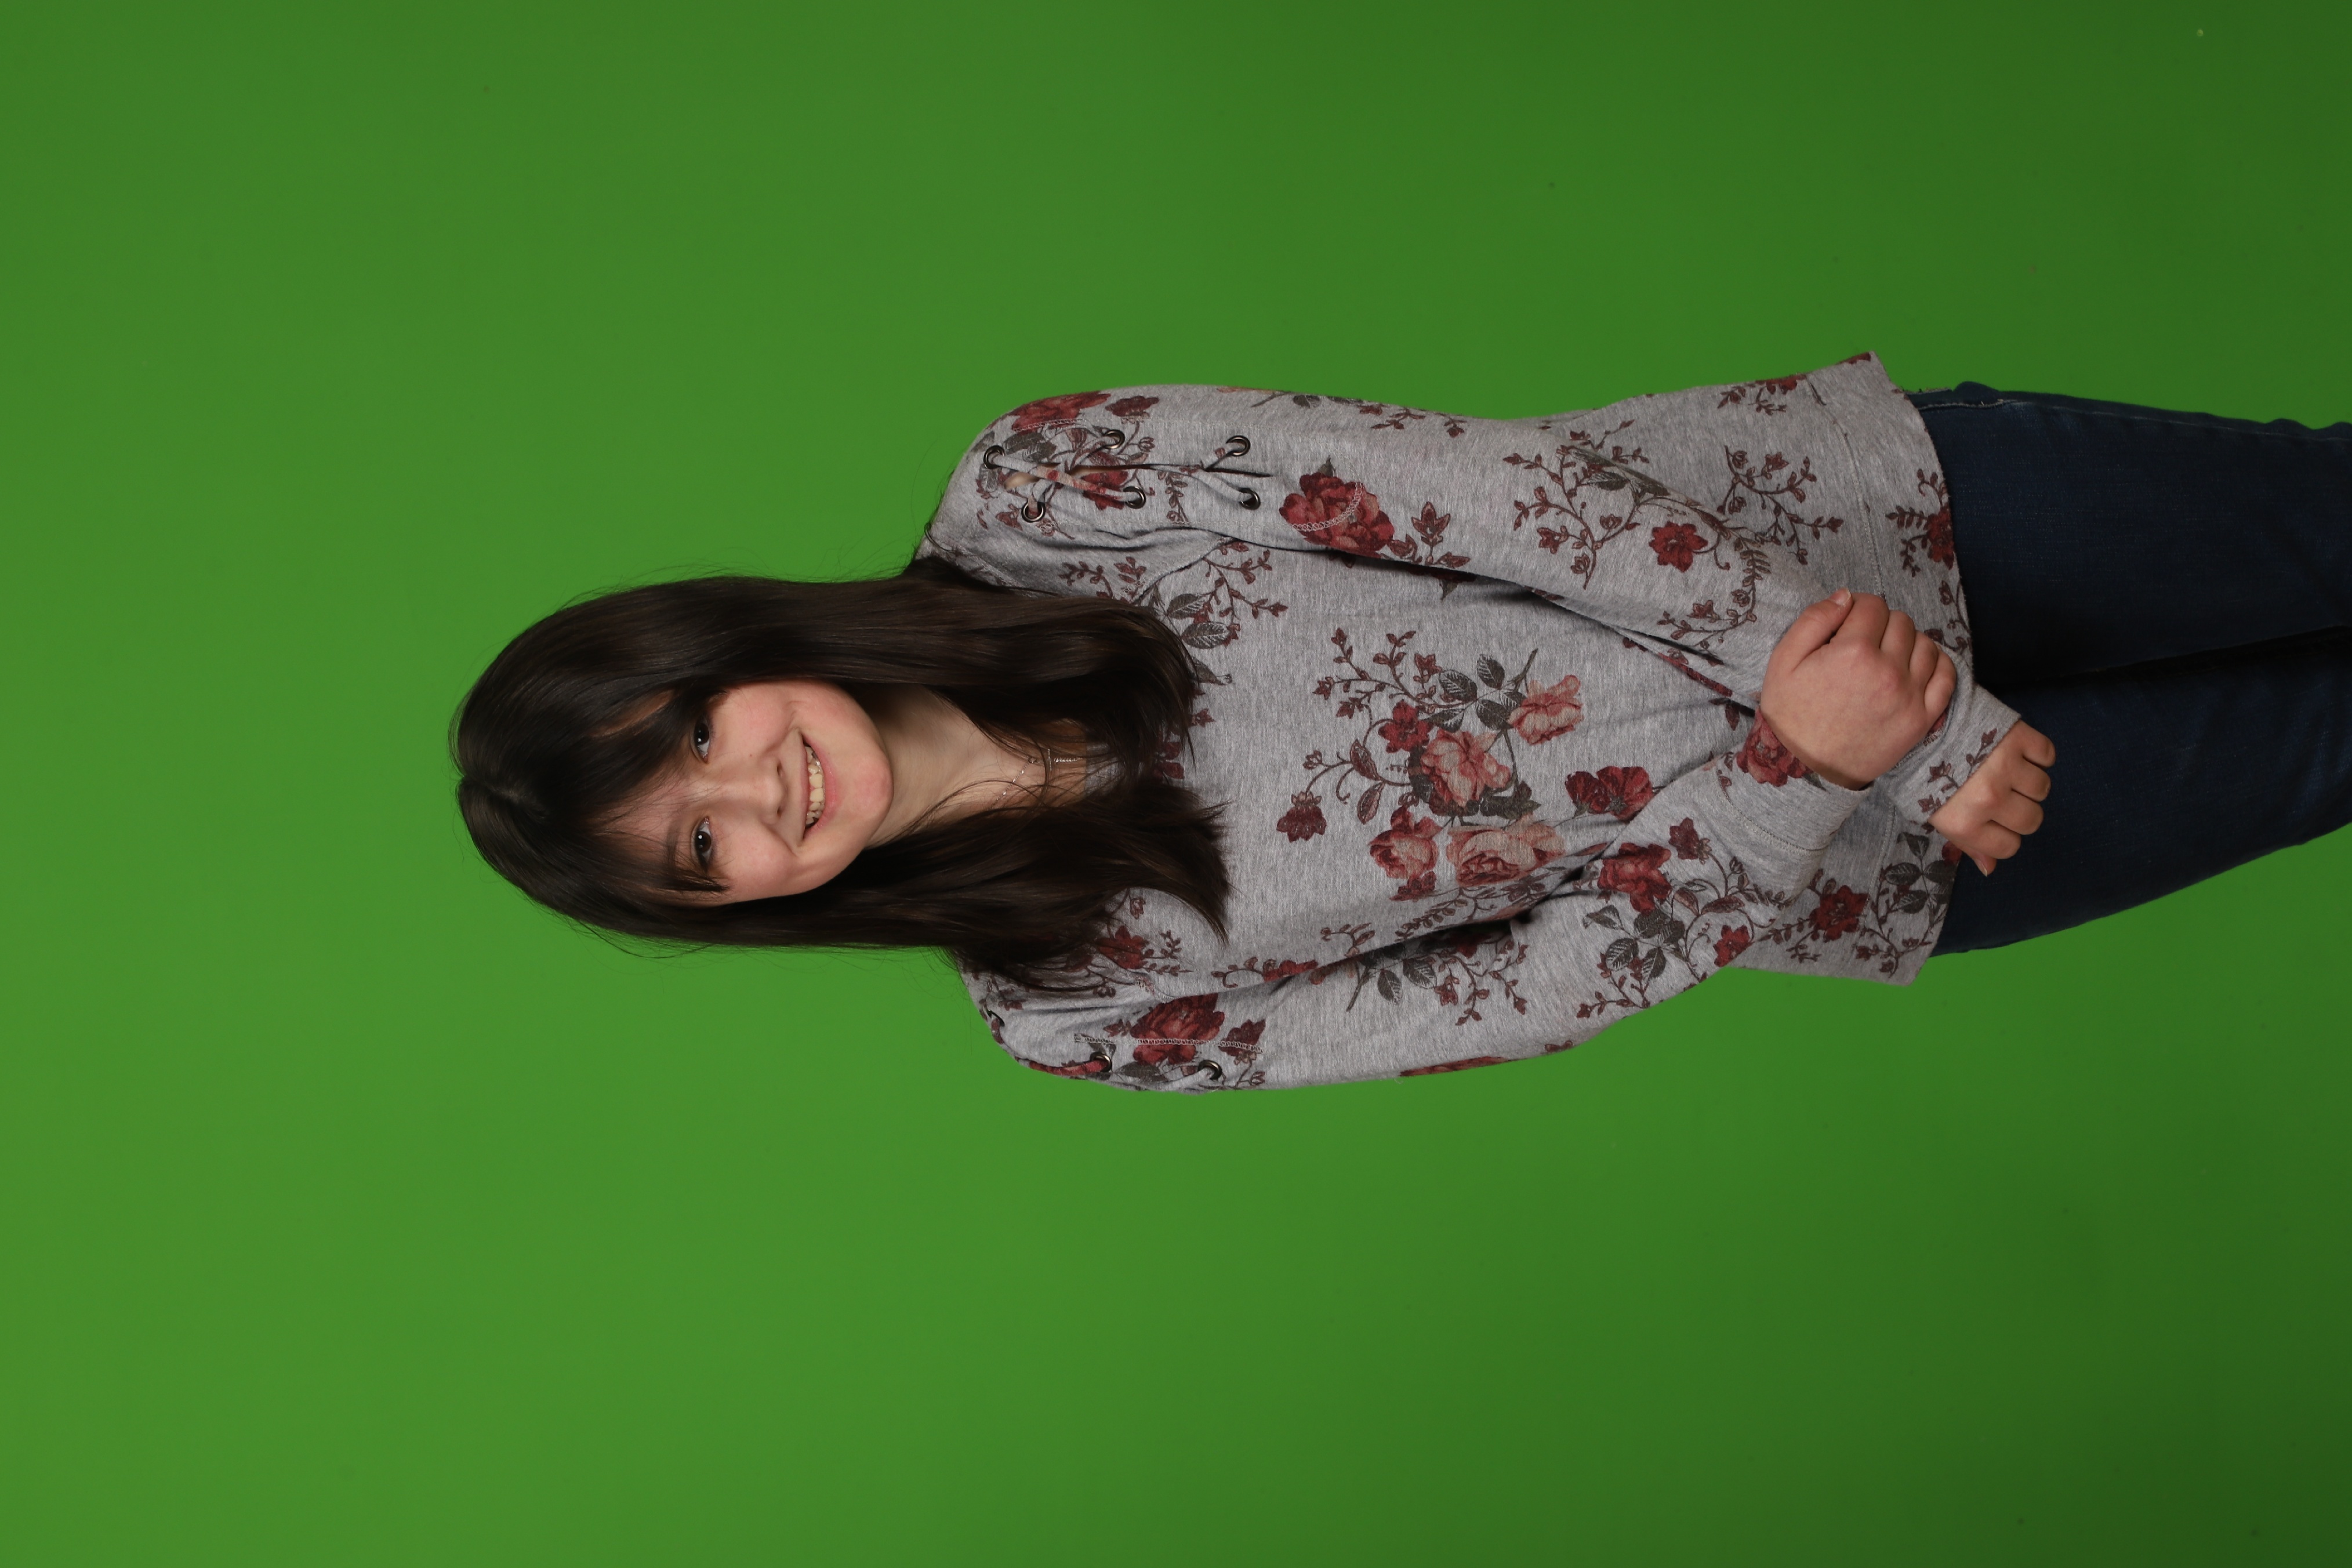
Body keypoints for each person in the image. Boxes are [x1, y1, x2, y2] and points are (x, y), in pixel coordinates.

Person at [455, 355, 2352, 1089]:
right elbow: (1519, 999)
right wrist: (1817, 770)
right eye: (698, 847)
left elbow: (1496, 496)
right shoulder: (1075, 1010)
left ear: (725, 644)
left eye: (697, 733)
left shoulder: (1043, 491)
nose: (759, 792)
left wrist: (1898, 719)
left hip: (1883, 524)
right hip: (1891, 854)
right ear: (729, 909)